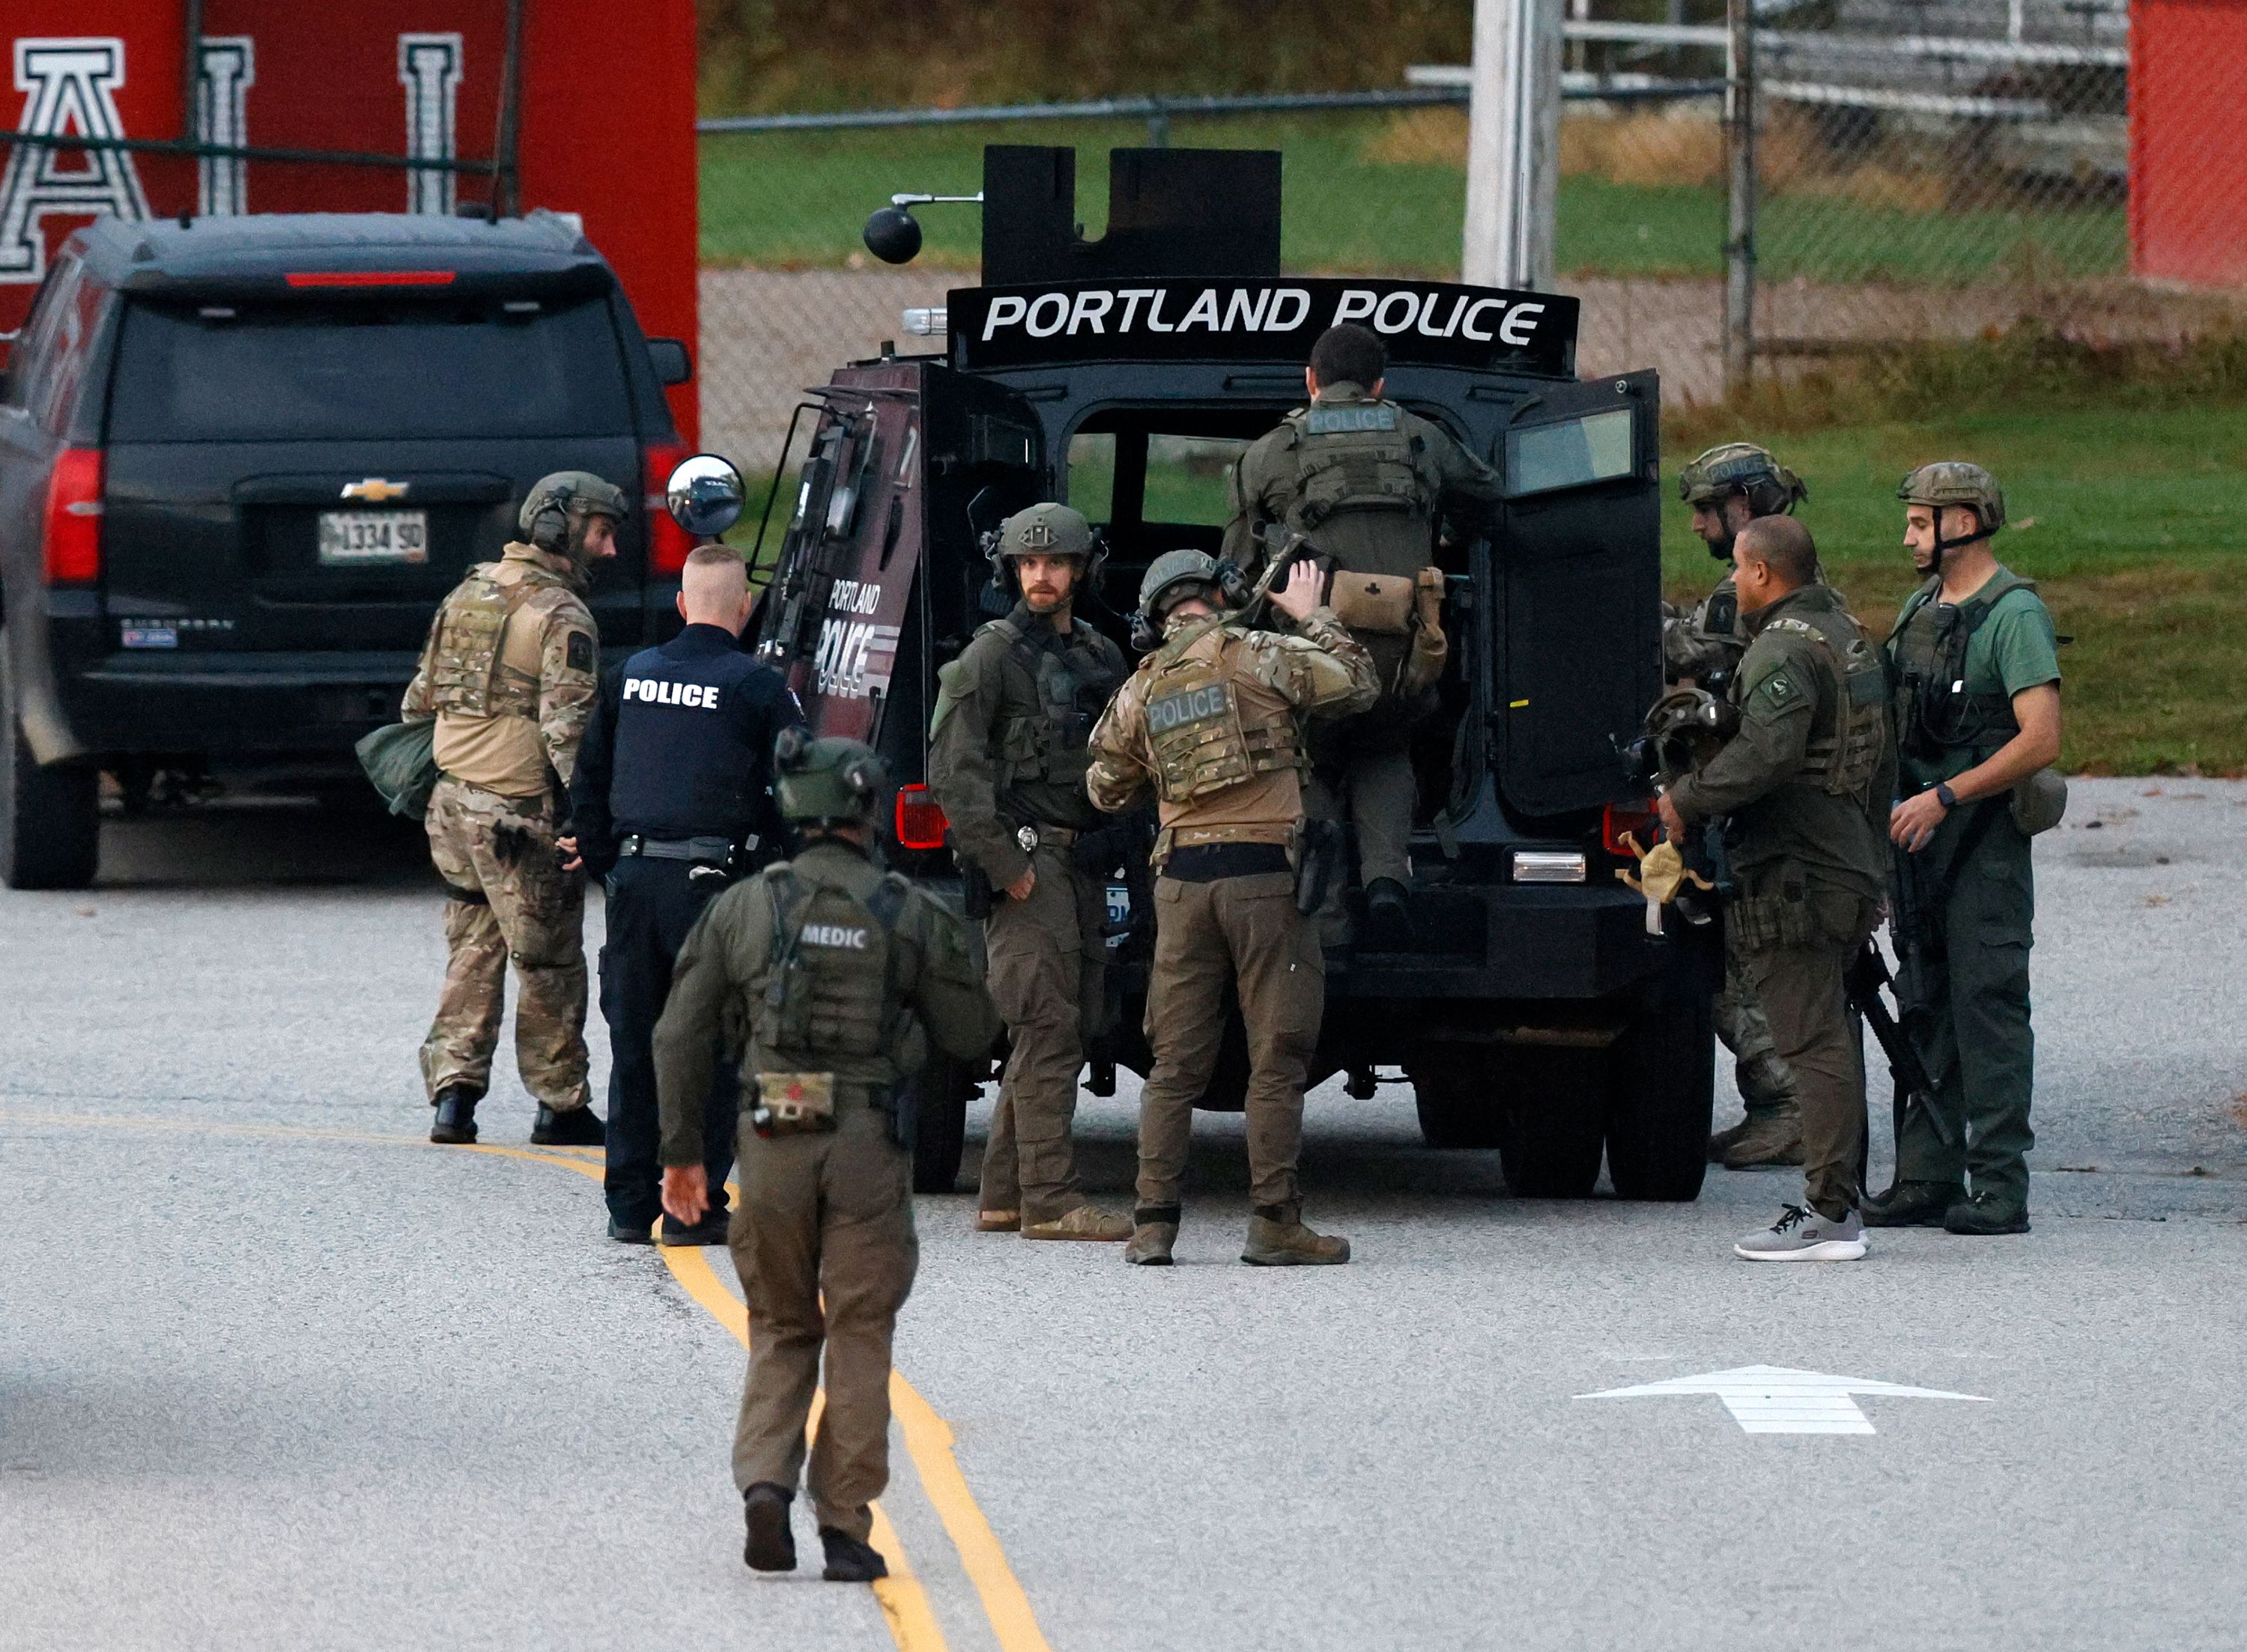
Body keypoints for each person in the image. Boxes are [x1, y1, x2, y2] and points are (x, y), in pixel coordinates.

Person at [653, 735, 998, 1582]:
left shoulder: (743, 908)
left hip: (772, 1133)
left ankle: (766, 1481)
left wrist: (683, 1156)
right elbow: (973, 1032)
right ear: (866, 811)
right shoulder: (906, 909)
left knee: (779, 1322)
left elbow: (677, 1035)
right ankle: (844, 1523)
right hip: (866, 1142)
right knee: (859, 1326)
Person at [1086, 550, 1379, 1266]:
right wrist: (1316, 618)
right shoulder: (1263, 654)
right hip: (1263, 882)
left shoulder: (1142, 686)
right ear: (1223, 596)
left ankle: (1153, 1226)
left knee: (1175, 1065)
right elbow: (1360, 687)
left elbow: (1102, 788)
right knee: (1276, 1057)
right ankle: (1275, 1224)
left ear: (1154, 617)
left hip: (1181, 884)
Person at [1656, 517, 1893, 1262]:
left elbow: (1767, 754)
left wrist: (1686, 798)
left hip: (1799, 873)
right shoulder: (1847, 636)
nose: (1731, 581)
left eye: (1737, 567)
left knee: (1812, 1043)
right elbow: (1880, 757)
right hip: (1846, 860)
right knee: (1828, 1036)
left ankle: (1828, 1215)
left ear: (1764, 572)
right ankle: (1835, 1205)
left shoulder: (1784, 650)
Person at [1222, 322, 1503, 947]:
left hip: (1310, 659)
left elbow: (1237, 574)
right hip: (1406, 660)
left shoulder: (1270, 452)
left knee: (1310, 763)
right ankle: (1385, 881)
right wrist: (1450, 531)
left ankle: (1325, 919)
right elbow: (1489, 493)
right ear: (1379, 385)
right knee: (1386, 749)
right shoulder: (1421, 438)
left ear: (1311, 381)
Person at [563, 545, 802, 1246]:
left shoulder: (631, 676)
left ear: (680, 604)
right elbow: (797, 788)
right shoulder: (758, 687)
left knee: (636, 1045)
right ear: (743, 609)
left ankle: (629, 1208)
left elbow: (588, 780)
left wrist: (611, 864)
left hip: (636, 888)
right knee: (714, 1050)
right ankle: (693, 1207)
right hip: (715, 890)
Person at [927, 502, 1132, 1242]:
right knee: (1046, 1027)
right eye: (1028, 563)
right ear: (1010, 568)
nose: (1041, 575)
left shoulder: (1104, 656)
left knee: (1062, 1028)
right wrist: (1005, 865)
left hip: (1080, 859)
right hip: (1028, 860)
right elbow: (952, 771)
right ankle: (1051, 1199)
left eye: (1056, 562)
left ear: (1081, 568)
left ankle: (1005, 1195)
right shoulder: (990, 656)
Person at [1865, 462, 2061, 1237]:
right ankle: (1926, 1173)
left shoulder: (2013, 616)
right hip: (1917, 848)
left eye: (1920, 522)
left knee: (1989, 1011)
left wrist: (1948, 796)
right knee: (1923, 1006)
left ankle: (2000, 1184)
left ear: (1964, 523)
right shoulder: (1920, 609)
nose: (1908, 535)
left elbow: (2041, 737)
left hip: (1981, 847)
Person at [402, 471, 624, 1147]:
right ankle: (560, 1105)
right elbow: (569, 736)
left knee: (472, 948)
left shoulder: (466, 593)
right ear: (560, 528)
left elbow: (419, 701)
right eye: (601, 531)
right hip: (518, 820)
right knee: (550, 961)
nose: (610, 549)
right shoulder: (561, 615)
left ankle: (454, 1098)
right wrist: (596, 822)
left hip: (452, 808)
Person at [1666, 443, 1813, 1171]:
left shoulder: (1746, 593)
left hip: (1766, 811)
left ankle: (1789, 1108)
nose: (1696, 525)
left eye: (1704, 509)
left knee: (1743, 967)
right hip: (1764, 809)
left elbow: (1681, 645)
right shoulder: (1777, 582)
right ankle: (1776, 1106)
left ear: (1744, 507)